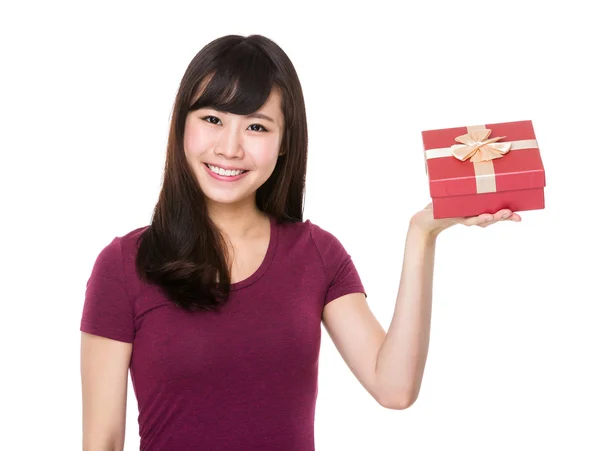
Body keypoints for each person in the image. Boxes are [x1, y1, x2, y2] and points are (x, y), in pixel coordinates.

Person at [79, 34, 521, 450]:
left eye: (256, 127)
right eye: (212, 119)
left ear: (285, 141)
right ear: (181, 126)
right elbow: (101, 442)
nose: (230, 148)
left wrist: (422, 234)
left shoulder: (316, 254)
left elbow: (395, 387)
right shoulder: (123, 265)